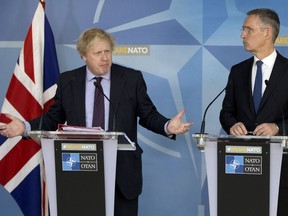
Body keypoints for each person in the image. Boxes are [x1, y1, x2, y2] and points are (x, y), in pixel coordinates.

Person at [0, 28, 192, 216]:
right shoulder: (69, 80)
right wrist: (25, 127)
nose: (105, 58)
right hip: (80, 169)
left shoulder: (131, 79)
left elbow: (148, 114)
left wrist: (167, 126)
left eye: (107, 51)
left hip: (122, 172)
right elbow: (52, 118)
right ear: (84, 55)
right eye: (98, 53)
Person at [219, 8, 288, 216]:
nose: (242, 35)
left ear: (267, 33)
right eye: (243, 30)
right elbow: (226, 112)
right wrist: (232, 124)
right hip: (241, 168)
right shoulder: (238, 71)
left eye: (248, 30)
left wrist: (278, 127)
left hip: (282, 171)